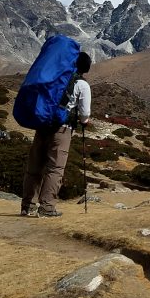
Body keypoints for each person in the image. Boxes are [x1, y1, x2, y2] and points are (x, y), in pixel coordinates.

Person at [20, 51, 92, 218]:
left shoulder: (56, 78)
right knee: (55, 169)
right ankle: (46, 207)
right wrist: (84, 121)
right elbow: (84, 114)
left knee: (34, 167)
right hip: (62, 129)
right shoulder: (82, 85)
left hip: (42, 125)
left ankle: (27, 206)